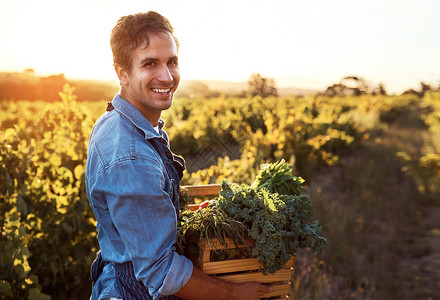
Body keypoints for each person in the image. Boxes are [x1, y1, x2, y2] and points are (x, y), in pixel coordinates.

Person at [85, 11, 273, 300]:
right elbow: (161, 273)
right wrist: (236, 293)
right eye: (150, 64)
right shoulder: (132, 156)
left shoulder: (123, 121)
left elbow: (135, 217)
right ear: (122, 73)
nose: (167, 76)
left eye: (171, 61)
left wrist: (180, 216)